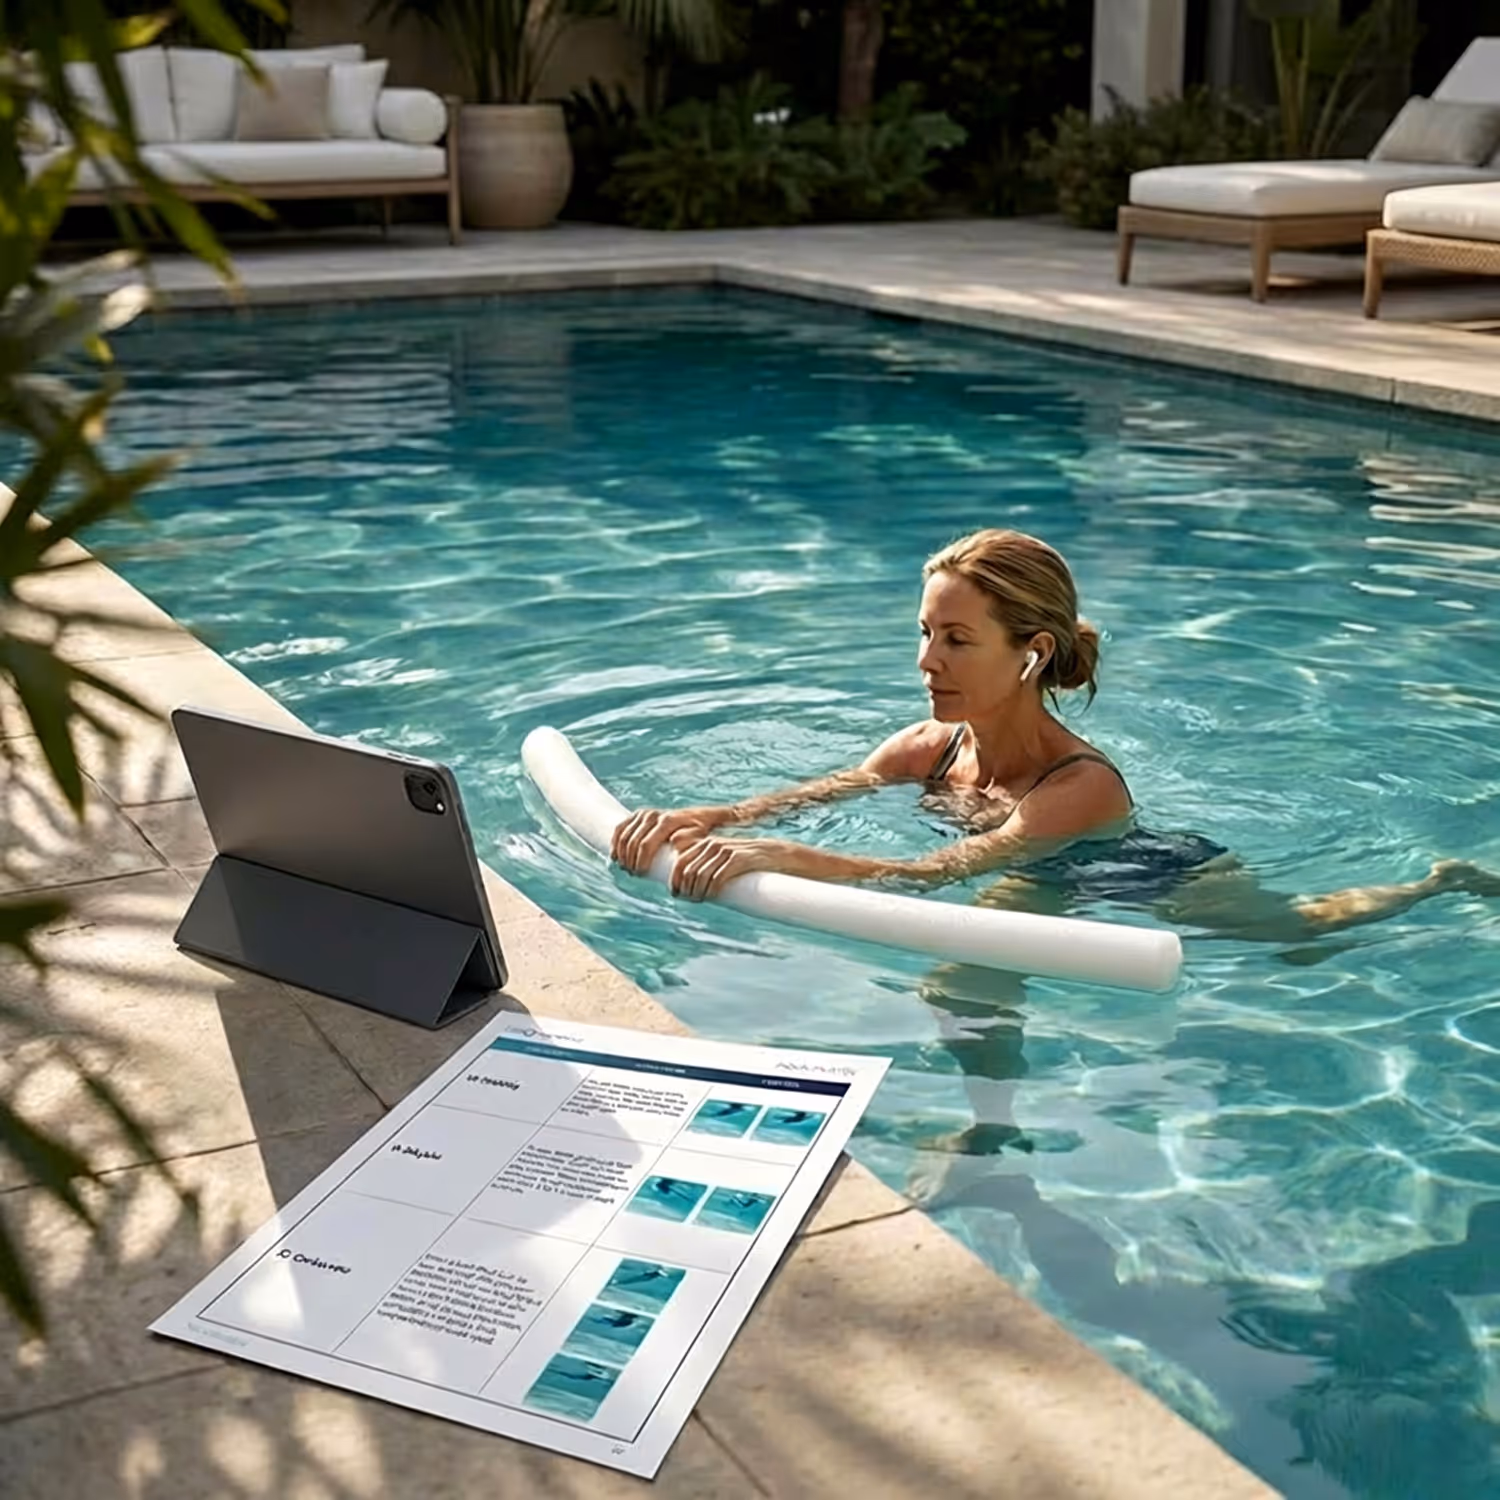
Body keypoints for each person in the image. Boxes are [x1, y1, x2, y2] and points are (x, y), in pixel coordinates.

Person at [611, 527, 1500, 936]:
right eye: (924, 632)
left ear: (1032, 654)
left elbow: (934, 873)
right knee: (972, 963)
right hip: (1028, 870)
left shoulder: (1086, 786)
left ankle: (1436, 881)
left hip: (1141, 874)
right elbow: (803, 798)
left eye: (957, 640)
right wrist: (702, 818)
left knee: (1301, 935)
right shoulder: (931, 746)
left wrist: (783, 858)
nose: (928, 661)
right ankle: (988, 1128)